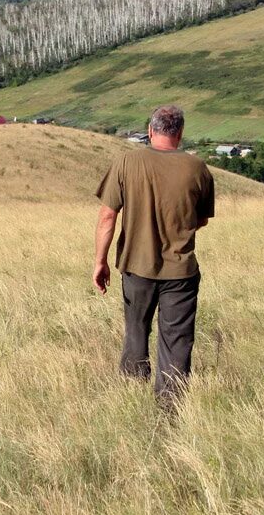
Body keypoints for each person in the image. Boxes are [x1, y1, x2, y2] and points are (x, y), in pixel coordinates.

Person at [92, 105, 215, 405]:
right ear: (180, 134)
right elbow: (201, 220)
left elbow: (108, 216)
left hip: (135, 267)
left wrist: (100, 261)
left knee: (136, 333)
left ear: (150, 130)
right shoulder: (197, 168)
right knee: (176, 343)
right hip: (181, 272)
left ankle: (131, 396)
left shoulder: (126, 162)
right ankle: (170, 410)